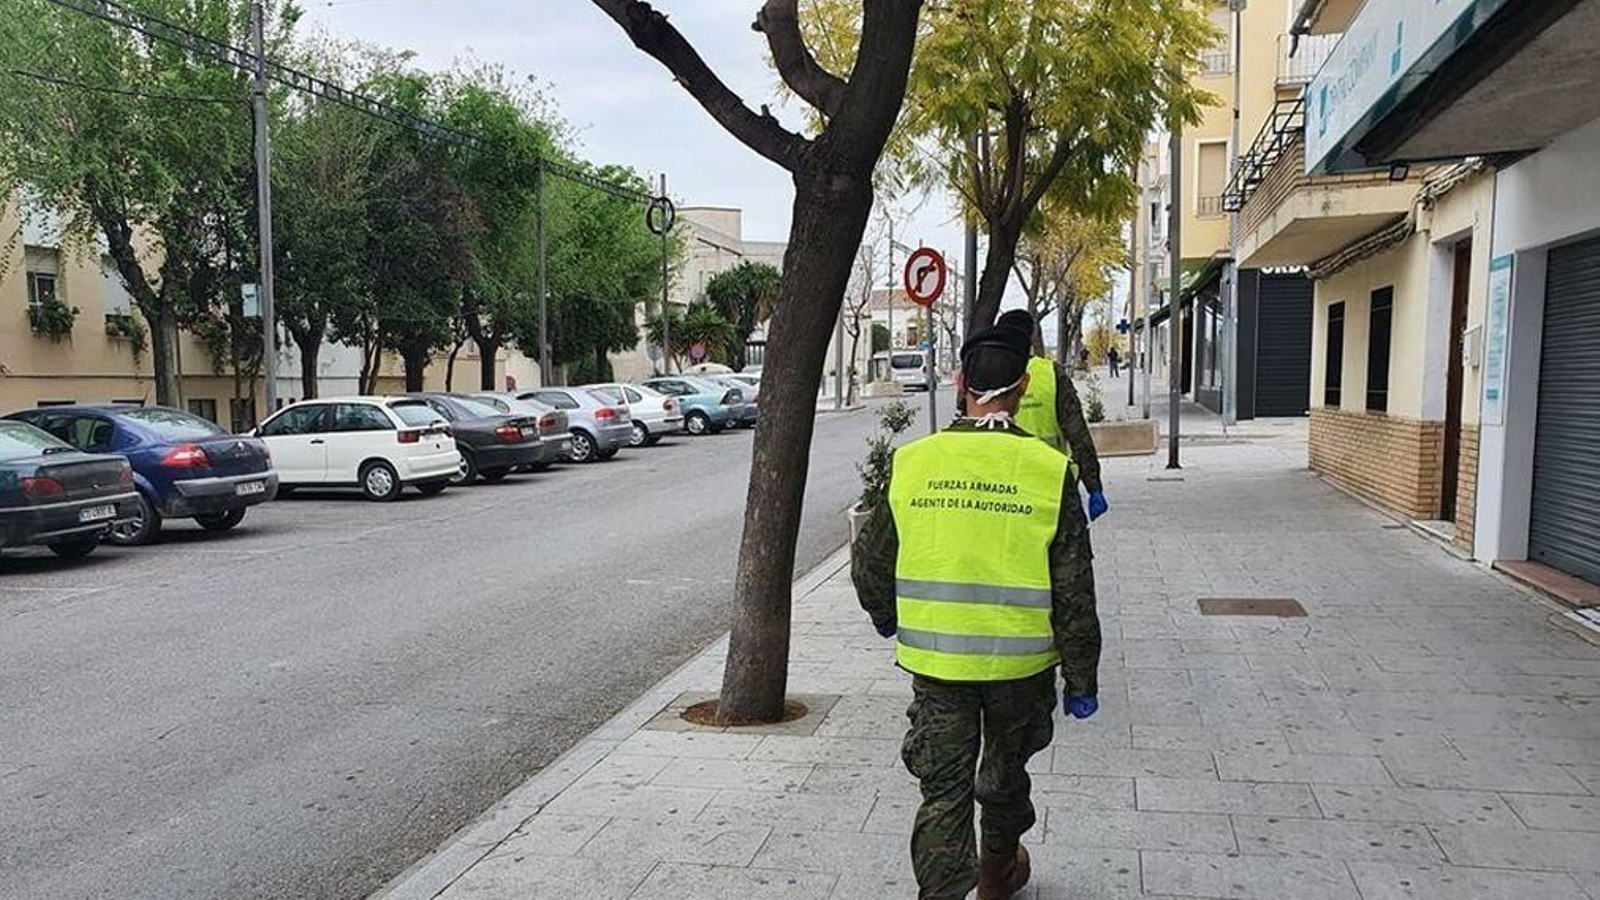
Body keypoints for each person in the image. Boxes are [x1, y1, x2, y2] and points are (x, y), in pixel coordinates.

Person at [851, 324, 1102, 900]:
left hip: (937, 666)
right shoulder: (1047, 472)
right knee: (1005, 778)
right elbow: (1074, 589)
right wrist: (1081, 677)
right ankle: (996, 879)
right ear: (1019, 391)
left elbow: (870, 561)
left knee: (944, 788)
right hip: (1021, 667)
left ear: (961, 381)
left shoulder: (914, 463)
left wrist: (886, 616)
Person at [996, 310, 1109, 523]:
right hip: (1051, 484)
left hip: (1003, 487)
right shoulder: (1051, 374)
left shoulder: (987, 374)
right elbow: (1077, 433)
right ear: (1031, 337)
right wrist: (1093, 486)